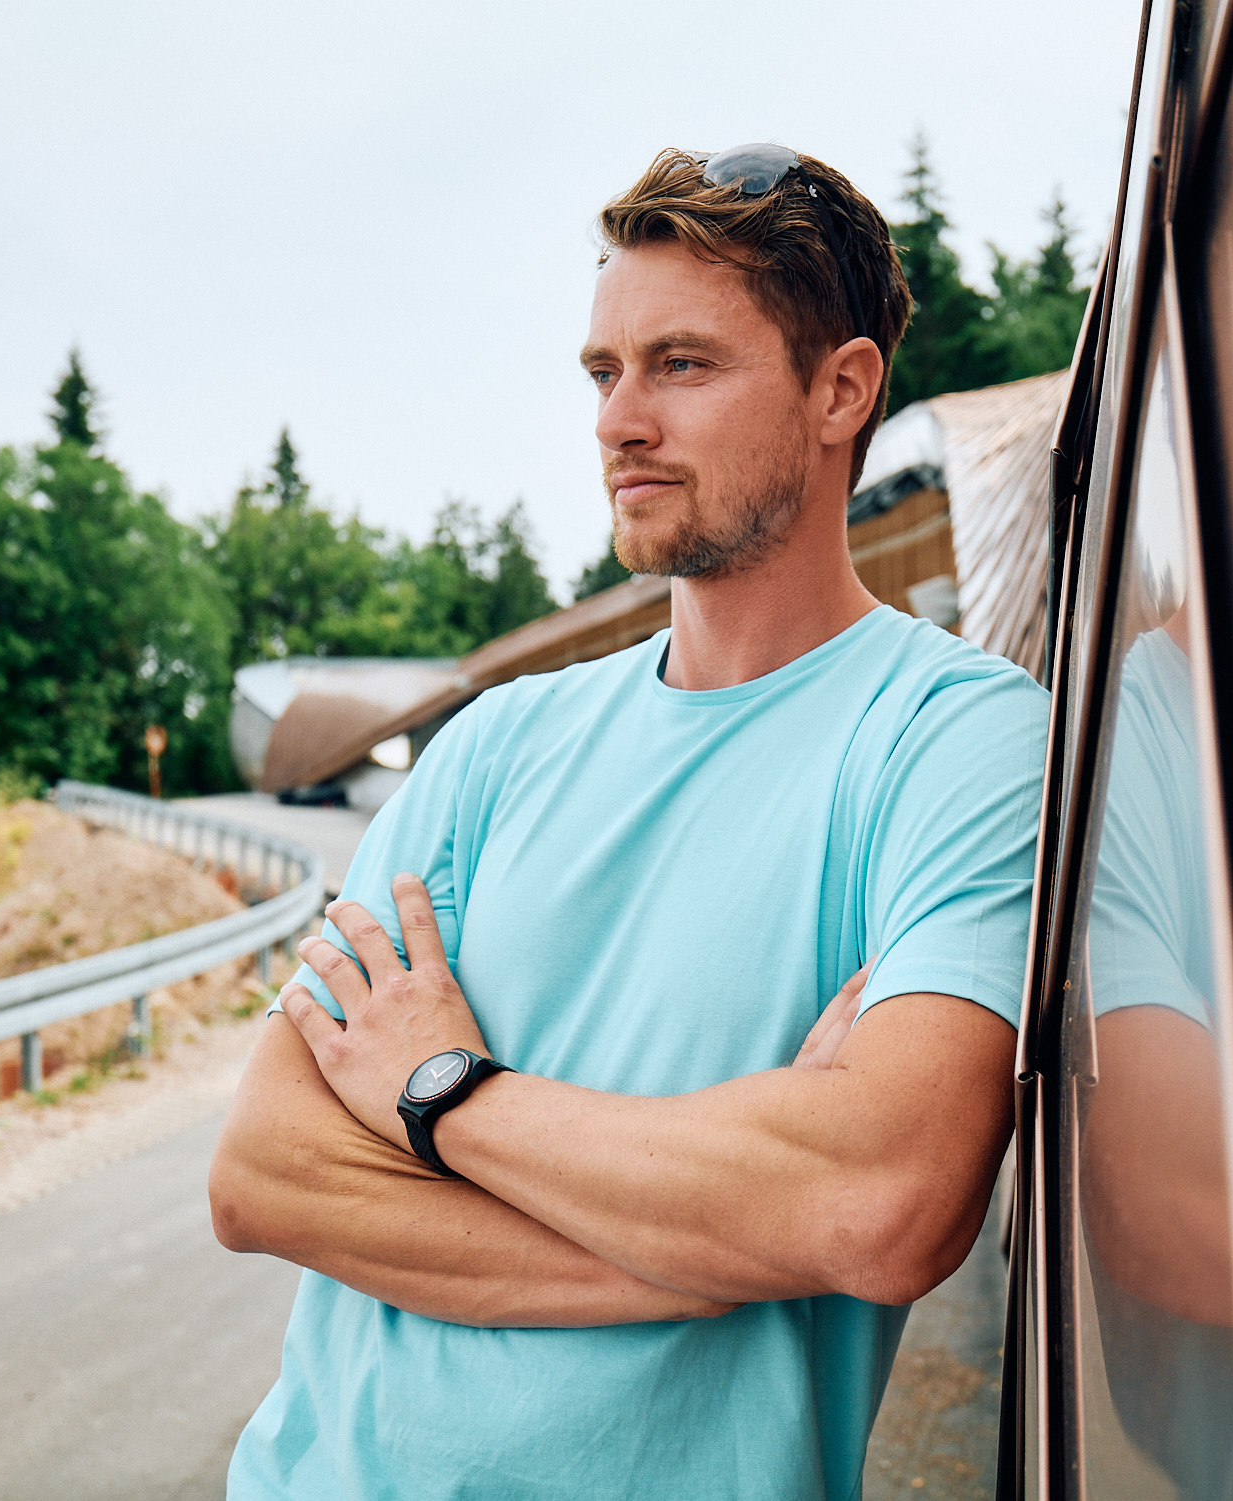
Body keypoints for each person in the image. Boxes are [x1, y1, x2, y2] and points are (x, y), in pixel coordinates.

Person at [207, 144, 1049, 1500]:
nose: (618, 421)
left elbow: (881, 1201)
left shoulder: (953, 740)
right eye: (604, 373)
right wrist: (705, 1241)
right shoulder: (492, 745)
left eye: (682, 365)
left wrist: (440, 1092)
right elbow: (264, 1171)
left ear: (840, 388)